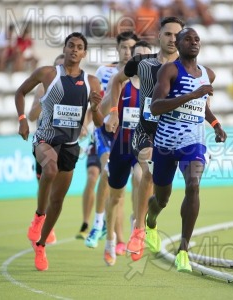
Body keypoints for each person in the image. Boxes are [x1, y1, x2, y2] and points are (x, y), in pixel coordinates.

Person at [16, 32, 103, 271]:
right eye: (71, 46)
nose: (75, 50)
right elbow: (19, 92)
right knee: (50, 169)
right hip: (45, 138)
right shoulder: (48, 74)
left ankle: (41, 245)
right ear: (64, 49)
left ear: (84, 53)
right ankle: (38, 218)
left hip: (70, 145)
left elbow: (99, 119)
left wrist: (94, 108)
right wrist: (23, 119)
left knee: (58, 199)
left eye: (79, 47)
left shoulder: (91, 82)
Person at [105, 16, 185, 261]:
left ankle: (150, 221)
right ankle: (138, 230)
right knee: (146, 171)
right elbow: (117, 81)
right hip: (144, 132)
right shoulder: (141, 63)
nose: (172, 39)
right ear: (159, 36)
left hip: (174, 134)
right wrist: (112, 112)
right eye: (168, 34)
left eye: (177, 35)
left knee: (164, 194)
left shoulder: (188, 68)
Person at [148, 27, 227, 272]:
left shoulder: (208, 74)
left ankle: (183, 250)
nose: (193, 42)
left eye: (197, 39)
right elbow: (156, 107)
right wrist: (194, 93)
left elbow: (201, 105)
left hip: (193, 141)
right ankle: (150, 223)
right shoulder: (169, 70)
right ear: (179, 44)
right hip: (165, 143)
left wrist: (215, 124)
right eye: (188, 39)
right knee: (162, 199)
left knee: (193, 185)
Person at [84, 31, 140, 253]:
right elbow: (96, 104)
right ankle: (98, 224)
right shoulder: (105, 72)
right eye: (124, 47)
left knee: (122, 185)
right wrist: (87, 123)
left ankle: (118, 236)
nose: (128, 51)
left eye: (131, 48)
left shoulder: (141, 74)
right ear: (117, 49)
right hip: (105, 132)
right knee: (106, 172)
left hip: (128, 134)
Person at [101, 41, 152, 266]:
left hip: (142, 146)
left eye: (145, 55)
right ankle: (110, 239)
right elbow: (101, 112)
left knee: (142, 178)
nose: (141, 59)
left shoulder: (156, 85)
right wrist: (108, 112)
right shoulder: (121, 85)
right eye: (137, 55)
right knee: (115, 197)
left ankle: (137, 225)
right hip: (121, 146)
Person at [26, 54, 65, 245]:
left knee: (57, 193)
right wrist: (44, 101)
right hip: (44, 142)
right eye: (56, 67)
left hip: (64, 144)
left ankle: (47, 225)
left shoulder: (73, 88)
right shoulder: (42, 87)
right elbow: (32, 116)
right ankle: (41, 224)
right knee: (46, 185)